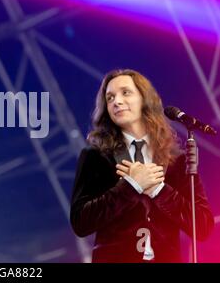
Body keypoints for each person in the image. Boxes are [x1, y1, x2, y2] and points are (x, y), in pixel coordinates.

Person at [70, 69, 214, 262]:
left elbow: (203, 226)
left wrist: (159, 190)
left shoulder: (177, 161)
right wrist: (131, 186)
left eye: (125, 93)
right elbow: (81, 222)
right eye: (110, 97)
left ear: (145, 99)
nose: (116, 101)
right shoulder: (95, 156)